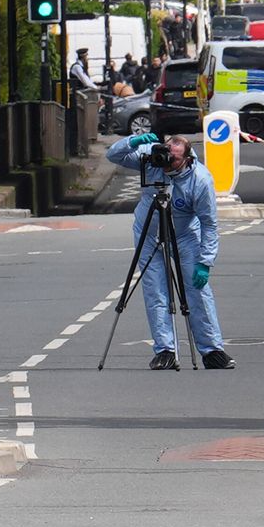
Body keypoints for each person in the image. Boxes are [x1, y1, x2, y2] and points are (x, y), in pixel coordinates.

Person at [105, 132, 236, 371]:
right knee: (155, 289)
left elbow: (209, 223)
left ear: (187, 159)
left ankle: (212, 350)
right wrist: (133, 142)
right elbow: (113, 155)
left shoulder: (200, 179)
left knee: (197, 290)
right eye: (165, 154)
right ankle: (165, 350)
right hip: (148, 232)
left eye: (173, 159)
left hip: (185, 235)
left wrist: (205, 262)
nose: (166, 162)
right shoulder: (151, 158)